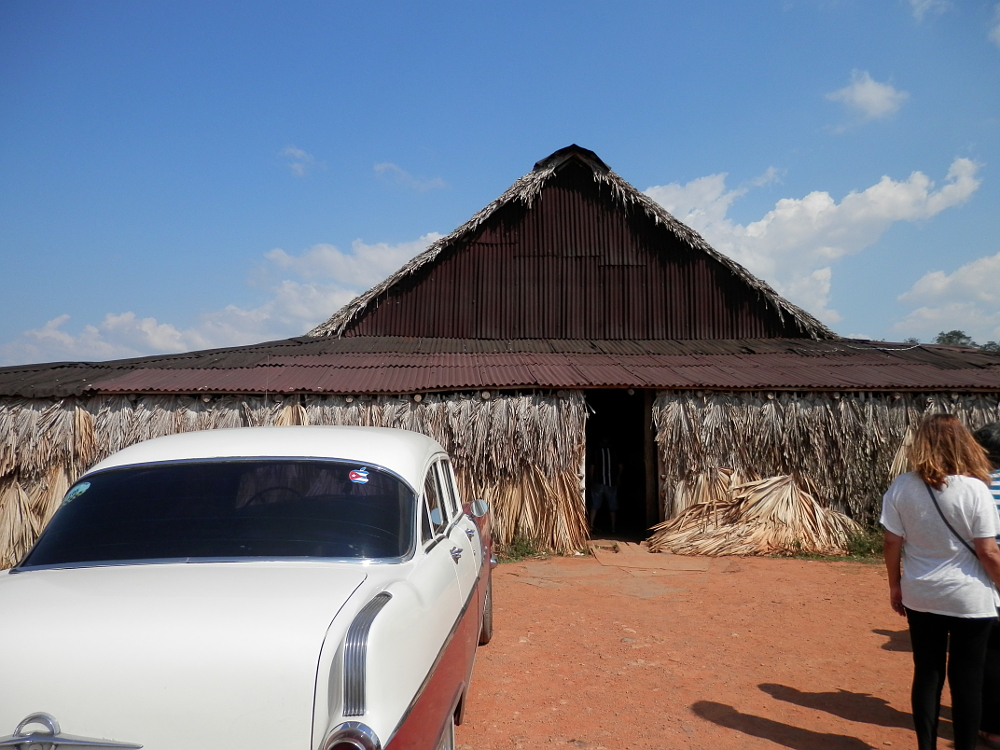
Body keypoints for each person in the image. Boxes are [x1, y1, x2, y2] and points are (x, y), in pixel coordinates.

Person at [881, 413, 1000, 750]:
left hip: (921, 592)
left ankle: (927, 746)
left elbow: (892, 542)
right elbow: (988, 552)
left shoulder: (902, 485)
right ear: (965, 443)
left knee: (927, 673)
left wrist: (895, 585)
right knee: (967, 678)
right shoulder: (976, 488)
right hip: (969, 597)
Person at [973, 421, 1000, 749]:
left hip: (986, 581)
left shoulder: (972, 488)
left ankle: (992, 727)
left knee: (991, 654)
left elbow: (985, 548)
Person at [588, 437, 622, 533]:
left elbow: (592, 468)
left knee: (594, 505)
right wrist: (618, 478)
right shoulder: (614, 453)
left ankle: (591, 526)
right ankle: (613, 527)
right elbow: (621, 467)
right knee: (612, 506)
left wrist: (591, 480)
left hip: (598, 482)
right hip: (611, 483)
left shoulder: (596, 453)